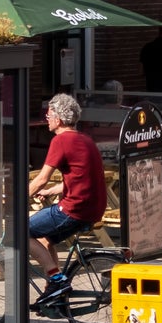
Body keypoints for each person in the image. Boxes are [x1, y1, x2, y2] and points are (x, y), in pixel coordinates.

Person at [27, 93, 107, 301]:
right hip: (93, 207)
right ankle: (54, 294)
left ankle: (57, 280)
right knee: (44, 239)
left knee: (20, 231)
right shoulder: (86, 140)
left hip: (75, 209)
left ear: (59, 119)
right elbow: (80, 178)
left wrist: (18, 200)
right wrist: (49, 192)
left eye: (49, 114)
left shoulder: (61, 141)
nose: (47, 118)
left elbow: (42, 178)